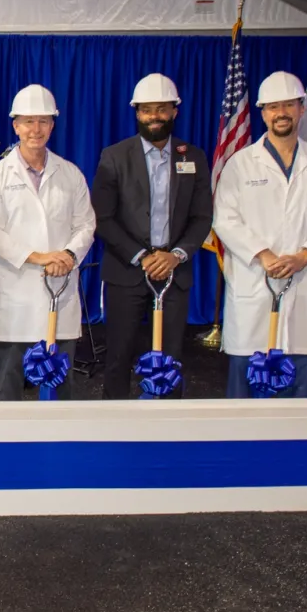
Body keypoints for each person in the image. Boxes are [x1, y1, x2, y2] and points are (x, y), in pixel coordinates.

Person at [212, 72, 307, 397]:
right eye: (273, 107)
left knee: (299, 384)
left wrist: (305, 255)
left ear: (302, 109)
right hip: (254, 282)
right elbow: (225, 219)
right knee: (244, 385)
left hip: (304, 282)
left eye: (289, 104)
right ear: (262, 113)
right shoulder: (240, 164)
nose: (281, 113)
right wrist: (264, 255)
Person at [92, 73, 213, 399]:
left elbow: (202, 217)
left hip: (175, 271)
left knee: (171, 356)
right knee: (118, 355)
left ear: (175, 111)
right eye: (147, 110)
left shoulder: (193, 157)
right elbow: (103, 218)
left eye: (161, 109)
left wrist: (176, 255)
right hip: (126, 270)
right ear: (137, 113)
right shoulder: (114, 156)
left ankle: (168, 429)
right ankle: (114, 426)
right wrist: (142, 256)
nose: (154, 117)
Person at [0, 85, 96, 400]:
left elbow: (86, 224)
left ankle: (61, 442)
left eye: (43, 121)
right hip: (17, 292)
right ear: (15, 125)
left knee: (61, 380)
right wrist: (39, 257)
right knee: (11, 381)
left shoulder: (70, 174)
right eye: (28, 121)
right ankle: (9, 444)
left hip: (61, 286)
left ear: (53, 125)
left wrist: (68, 256)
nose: (35, 129)